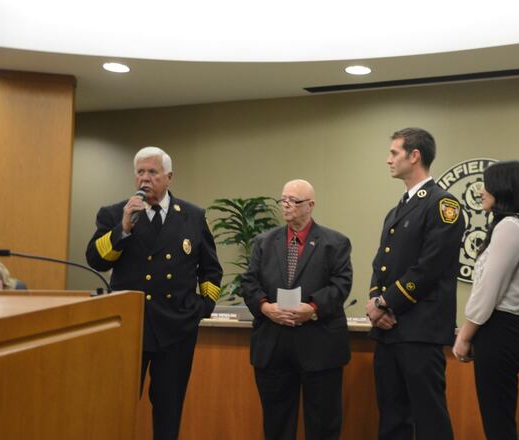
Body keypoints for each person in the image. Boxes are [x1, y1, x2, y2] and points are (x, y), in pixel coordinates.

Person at [86, 146, 222, 440]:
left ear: (169, 177)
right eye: (140, 172)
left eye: (152, 173)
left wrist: (202, 308)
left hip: (176, 328)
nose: (145, 179)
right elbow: (95, 260)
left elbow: (211, 270)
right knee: (118, 406)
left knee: (169, 408)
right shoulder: (114, 213)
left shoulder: (193, 216)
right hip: (130, 327)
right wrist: (122, 228)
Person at [366, 127, 464, 440]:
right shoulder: (398, 209)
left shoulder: (442, 204)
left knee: (430, 418)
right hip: (389, 332)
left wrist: (385, 303)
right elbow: (380, 265)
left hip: (421, 330)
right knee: (392, 416)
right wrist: (375, 303)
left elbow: (429, 268)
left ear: (415, 155)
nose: (388, 160)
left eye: (394, 153)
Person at [242, 179, 353, 440]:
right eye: (283, 200)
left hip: (319, 346)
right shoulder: (264, 242)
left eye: (294, 200)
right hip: (273, 346)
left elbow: (341, 285)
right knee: (276, 424)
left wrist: (312, 308)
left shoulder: (334, 243)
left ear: (310, 206)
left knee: (323, 424)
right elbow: (249, 282)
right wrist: (265, 307)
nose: (287, 205)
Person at [452, 161, 519, 440]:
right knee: (499, 418)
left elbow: (489, 289)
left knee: (497, 422)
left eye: (487, 184)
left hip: (499, 330)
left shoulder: (511, 227)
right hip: (508, 329)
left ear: (504, 188)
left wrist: (465, 335)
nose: (481, 191)